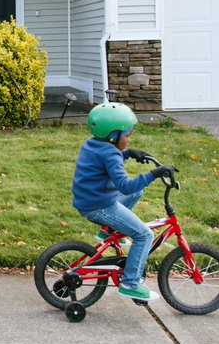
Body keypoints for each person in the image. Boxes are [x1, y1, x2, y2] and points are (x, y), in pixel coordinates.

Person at [72, 101, 176, 301]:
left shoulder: (93, 143)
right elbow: (125, 186)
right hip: (99, 206)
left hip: (91, 198)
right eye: (127, 136)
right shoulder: (110, 152)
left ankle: (107, 231)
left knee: (138, 192)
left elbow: (108, 159)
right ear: (113, 136)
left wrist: (128, 153)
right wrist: (154, 174)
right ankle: (130, 284)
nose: (129, 139)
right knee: (144, 235)